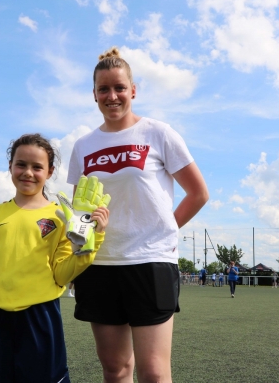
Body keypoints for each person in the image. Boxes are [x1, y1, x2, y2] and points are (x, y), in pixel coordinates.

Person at [67, 47, 209, 383]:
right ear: (94, 95)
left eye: (119, 88)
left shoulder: (159, 133)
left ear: (133, 90)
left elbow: (198, 193)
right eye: (104, 89)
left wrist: (164, 230)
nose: (112, 96)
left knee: (154, 373)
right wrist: (77, 249)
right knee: (116, 369)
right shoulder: (83, 146)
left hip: (150, 263)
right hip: (100, 264)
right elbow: (79, 210)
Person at [0, 133, 110, 383]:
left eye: (37, 167)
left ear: (49, 172)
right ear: (10, 167)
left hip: (40, 318)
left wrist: (93, 241)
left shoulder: (60, 216)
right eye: (21, 164)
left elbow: (61, 275)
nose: (28, 172)